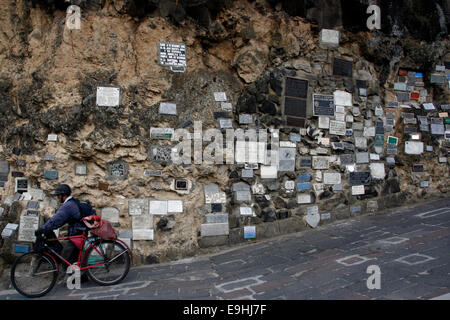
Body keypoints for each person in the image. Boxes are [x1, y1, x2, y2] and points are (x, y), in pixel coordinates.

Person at [34, 184, 84, 265]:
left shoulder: (68, 206)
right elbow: (61, 221)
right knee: (72, 258)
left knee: (65, 258)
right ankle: (79, 274)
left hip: (76, 233)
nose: (57, 198)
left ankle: (70, 276)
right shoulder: (72, 202)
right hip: (76, 231)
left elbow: (56, 220)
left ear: (63, 195)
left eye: (58, 195)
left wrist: (43, 229)